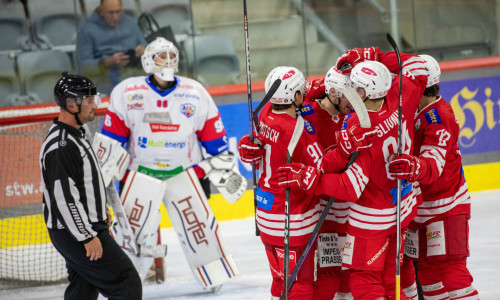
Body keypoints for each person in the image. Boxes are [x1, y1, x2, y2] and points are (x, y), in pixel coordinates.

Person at [279, 48, 428, 298]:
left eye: (354, 88)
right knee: (389, 279)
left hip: (370, 214)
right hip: (401, 204)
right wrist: (376, 55)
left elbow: (351, 185)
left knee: (362, 281)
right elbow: (417, 67)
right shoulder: (399, 96)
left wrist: (310, 178)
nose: (350, 94)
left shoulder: (360, 123)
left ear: (363, 91)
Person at [39, 73, 142, 300]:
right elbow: (63, 197)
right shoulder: (61, 146)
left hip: (82, 226)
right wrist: (86, 236)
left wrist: (99, 210)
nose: (95, 105)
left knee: (83, 289)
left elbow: (84, 181)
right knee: (126, 283)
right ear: (70, 103)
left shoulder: (79, 132)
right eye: (89, 101)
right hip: (77, 231)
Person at [389, 54, 479, 299]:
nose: (400, 86)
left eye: (406, 81)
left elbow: (433, 165)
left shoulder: (438, 117)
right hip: (420, 210)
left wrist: (413, 167)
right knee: (428, 277)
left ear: (420, 84)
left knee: (452, 273)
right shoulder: (414, 110)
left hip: (445, 208)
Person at [76, 0, 147, 95]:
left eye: (118, 12)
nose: (115, 17)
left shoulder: (131, 24)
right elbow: (84, 67)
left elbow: (148, 49)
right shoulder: (87, 30)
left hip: (134, 75)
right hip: (104, 80)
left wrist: (144, 51)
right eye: (111, 13)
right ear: (101, 10)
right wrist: (106, 62)